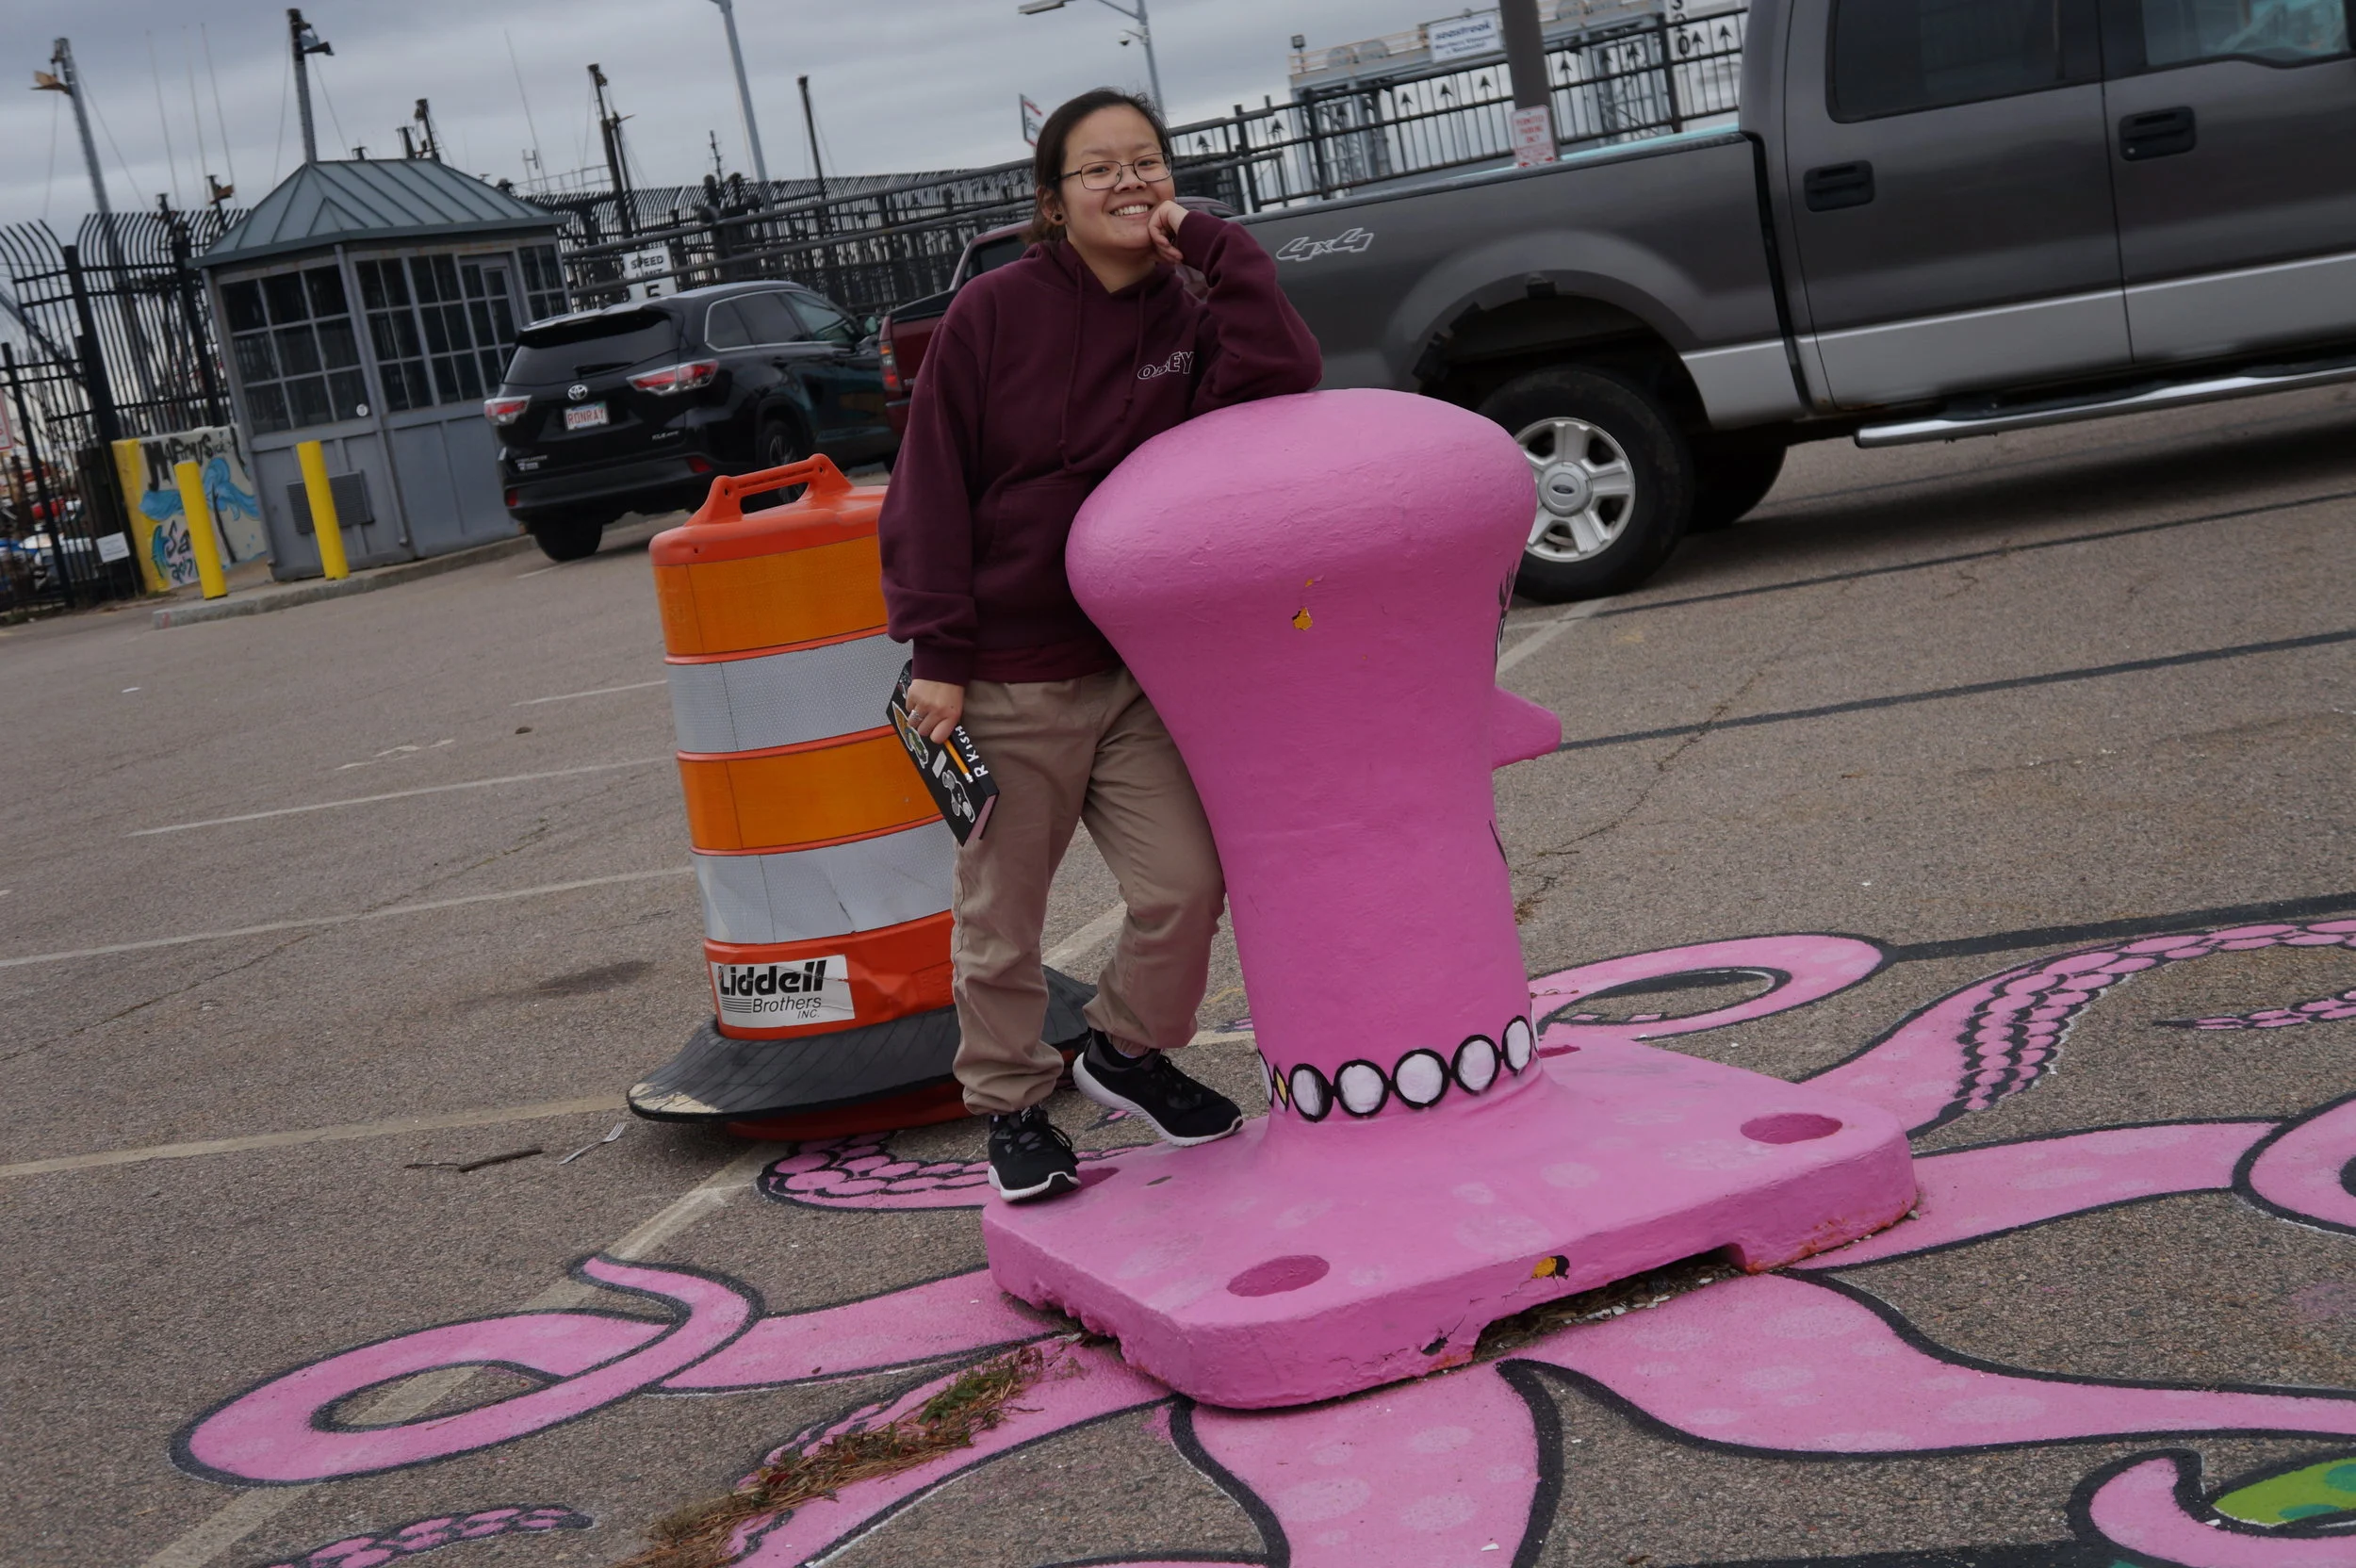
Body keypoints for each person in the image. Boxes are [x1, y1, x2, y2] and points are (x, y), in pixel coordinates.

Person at [879, 88, 1322, 1201]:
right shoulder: (991, 313)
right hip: (1000, 677)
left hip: (1131, 671)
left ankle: (1122, 1050)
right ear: (1052, 200)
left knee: (1186, 882)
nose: (1129, 182)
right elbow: (927, 486)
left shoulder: (1188, 308)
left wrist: (1217, 247)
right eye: (1099, 169)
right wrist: (939, 651)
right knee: (1002, 916)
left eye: (1148, 163)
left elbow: (1284, 373)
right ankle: (1015, 1108)